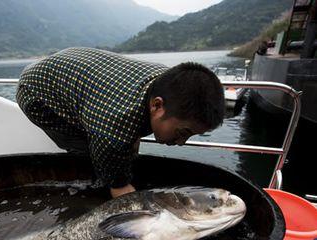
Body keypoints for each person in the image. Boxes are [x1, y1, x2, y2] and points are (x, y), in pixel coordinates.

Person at [16, 47, 224, 198]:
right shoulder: (114, 125)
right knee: (88, 152)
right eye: (183, 132)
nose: (181, 142)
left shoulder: (168, 84)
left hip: (78, 70)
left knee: (119, 145)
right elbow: (121, 186)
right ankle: (88, 191)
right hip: (37, 92)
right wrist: (120, 186)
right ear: (157, 106)